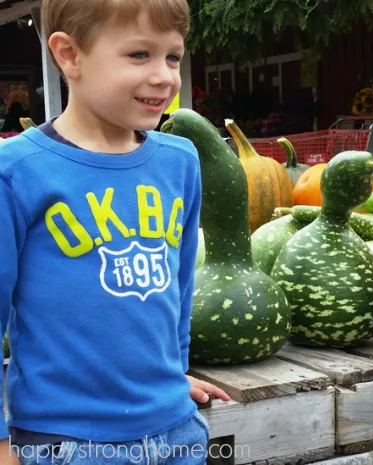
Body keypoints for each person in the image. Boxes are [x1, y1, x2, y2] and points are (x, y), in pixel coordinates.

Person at [0, 0, 230, 463]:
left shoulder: (180, 161)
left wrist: (171, 372)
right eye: (139, 55)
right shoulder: (17, 172)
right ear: (69, 55)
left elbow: (179, 287)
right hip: (65, 442)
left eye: (172, 56)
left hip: (177, 431)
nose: (164, 76)